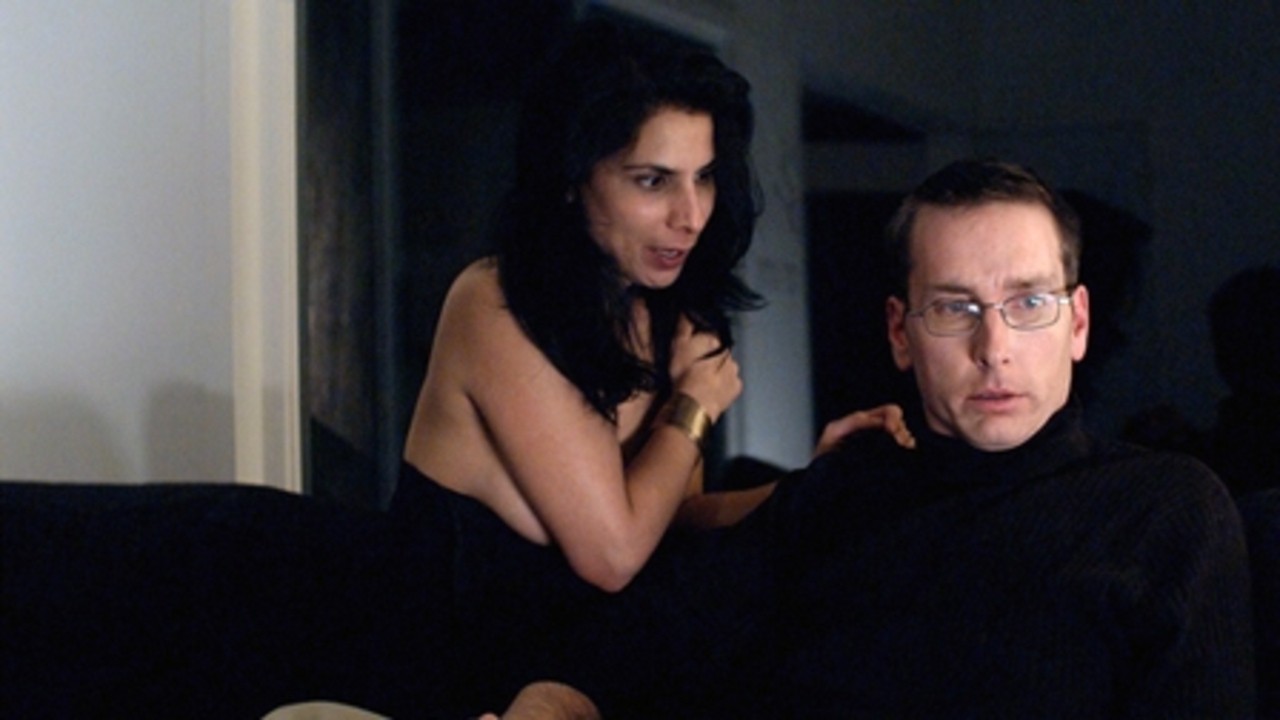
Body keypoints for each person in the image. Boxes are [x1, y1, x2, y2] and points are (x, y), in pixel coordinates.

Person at [516, 158, 1257, 718]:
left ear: (1079, 323)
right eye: (955, 309)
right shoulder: (849, 485)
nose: (994, 349)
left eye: (1029, 302)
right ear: (901, 333)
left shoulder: (1164, 509)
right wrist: (550, 702)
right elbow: (638, 640)